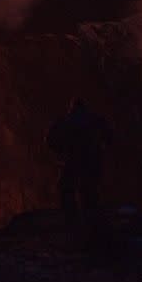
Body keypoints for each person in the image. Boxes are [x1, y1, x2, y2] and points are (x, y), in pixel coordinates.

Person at [46, 98, 112, 229]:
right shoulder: (95, 119)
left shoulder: (65, 121)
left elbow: (50, 139)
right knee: (89, 191)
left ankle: (72, 219)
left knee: (66, 188)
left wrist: (60, 152)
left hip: (73, 159)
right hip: (92, 160)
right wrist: (102, 148)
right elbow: (109, 135)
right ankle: (90, 221)